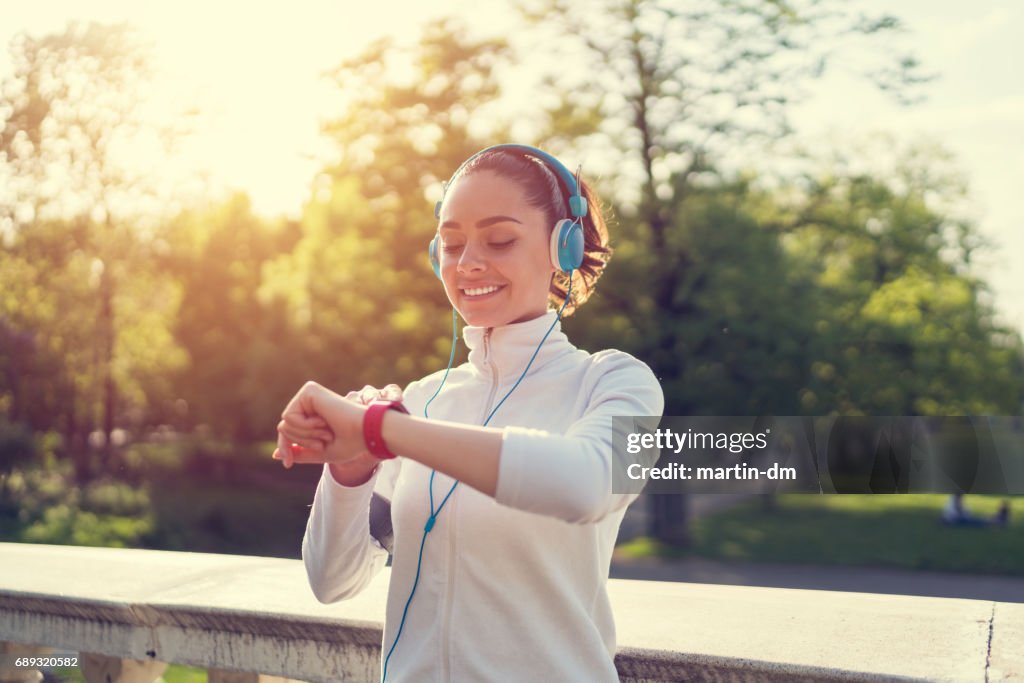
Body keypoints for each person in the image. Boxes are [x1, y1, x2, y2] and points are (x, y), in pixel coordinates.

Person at [272, 144, 665, 682]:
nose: (469, 262)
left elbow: (589, 484)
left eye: (499, 239)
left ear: (563, 247)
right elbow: (332, 582)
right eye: (452, 244)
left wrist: (383, 429)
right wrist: (350, 468)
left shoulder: (617, 382)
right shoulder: (421, 398)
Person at [941, 492, 1010, 527]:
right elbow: (959, 511)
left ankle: (998, 518)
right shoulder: (957, 497)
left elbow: (961, 510)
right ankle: (998, 522)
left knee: (980, 519)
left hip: (957, 518)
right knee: (979, 521)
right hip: (957, 519)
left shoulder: (956, 497)